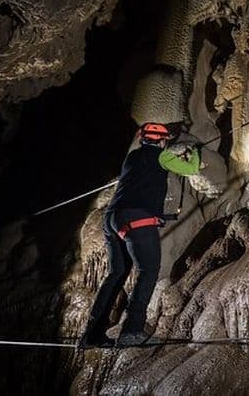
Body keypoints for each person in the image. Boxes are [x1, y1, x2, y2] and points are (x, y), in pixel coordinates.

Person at [78, 122, 201, 348]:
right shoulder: (162, 156)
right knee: (148, 271)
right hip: (136, 218)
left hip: (113, 218)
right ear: (162, 141)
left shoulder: (132, 157)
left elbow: (140, 186)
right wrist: (194, 153)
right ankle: (132, 329)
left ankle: (91, 334)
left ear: (143, 139)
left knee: (116, 273)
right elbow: (192, 169)